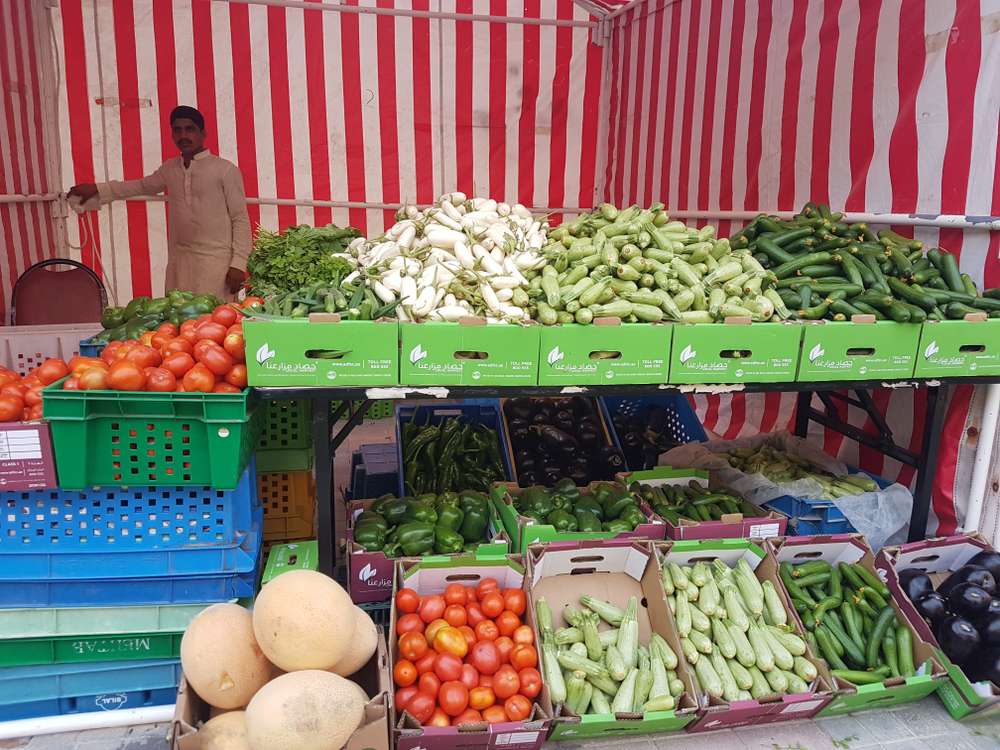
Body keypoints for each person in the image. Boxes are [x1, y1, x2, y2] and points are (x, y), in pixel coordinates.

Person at [69, 105, 251, 299]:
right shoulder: (170, 169)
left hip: (216, 265)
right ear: (172, 134)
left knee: (214, 322)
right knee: (178, 321)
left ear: (203, 133)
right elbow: (141, 186)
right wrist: (98, 188)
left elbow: (240, 219)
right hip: (179, 263)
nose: (183, 135)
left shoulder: (225, 170)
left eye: (189, 129)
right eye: (177, 130)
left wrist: (238, 264)